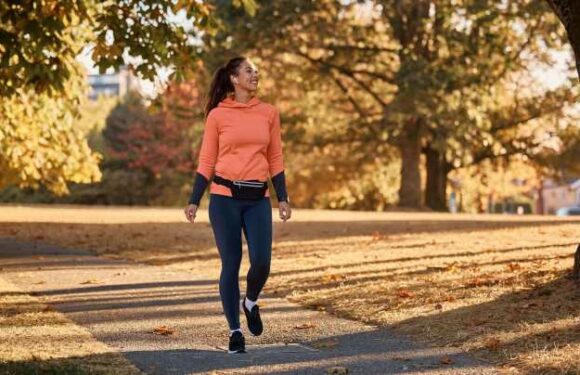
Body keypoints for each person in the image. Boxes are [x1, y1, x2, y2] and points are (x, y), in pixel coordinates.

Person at [183, 56, 292, 354]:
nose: (255, 74)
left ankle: (251, 301)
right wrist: (194, 199)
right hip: (224, 199)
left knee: (262, 262)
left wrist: (282, 197)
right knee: (230, 264)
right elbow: (207, 160)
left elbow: (275, 159)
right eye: (248, 70)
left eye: (256, 70)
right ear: (233, 78)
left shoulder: (269, 113)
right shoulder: (217, 116)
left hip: (258, 200)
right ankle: (234, 332)